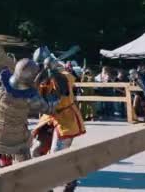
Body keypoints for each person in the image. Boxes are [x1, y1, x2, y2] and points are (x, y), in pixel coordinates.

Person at [0, 58, 55, 174]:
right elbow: (48, 109)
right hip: (16, 138)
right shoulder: (32, 97)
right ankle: (26, 174)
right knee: (23, 150)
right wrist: (55, 98)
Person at [31, 46, 86, 192]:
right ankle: (45, 184)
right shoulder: (41, 75)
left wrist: (54, 71)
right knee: (35, 151)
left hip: (66, 117)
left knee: (57, 154)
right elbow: (35, 92)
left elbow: (66, 87)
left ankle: (70, 181)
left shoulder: (63, 74)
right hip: (49, 117)